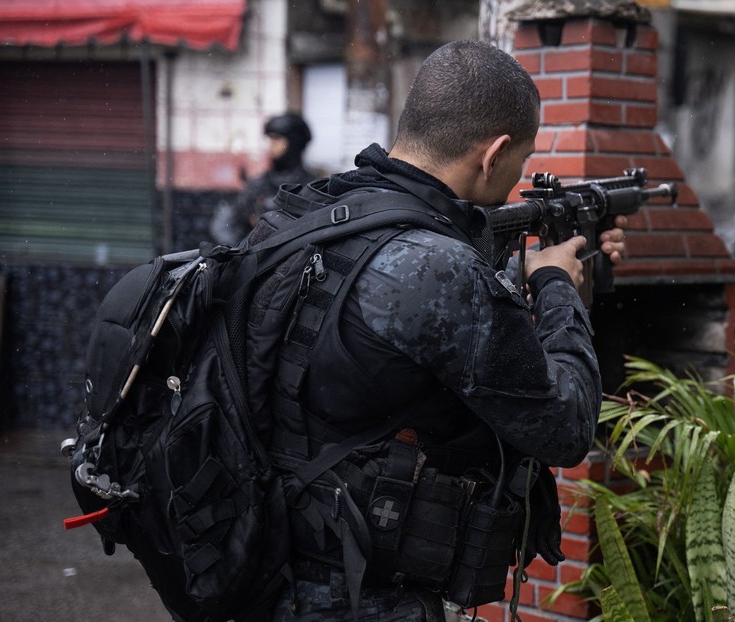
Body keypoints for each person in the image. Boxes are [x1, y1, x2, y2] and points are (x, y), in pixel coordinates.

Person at [260, 40, 627, 621]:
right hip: (366, 597)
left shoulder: (312, 214)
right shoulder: (439, 267)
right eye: (522, 161)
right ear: (494, 153)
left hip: (269, 562)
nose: (518, 178)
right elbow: (566, 427)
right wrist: (557, 285)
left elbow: (403, 330)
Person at [210, 112, 317, 245]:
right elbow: (225, 226)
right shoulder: (259, 185)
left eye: (277, 139)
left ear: (294, 142)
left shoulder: (312, 186)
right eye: (270, 139)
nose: (271, 146)